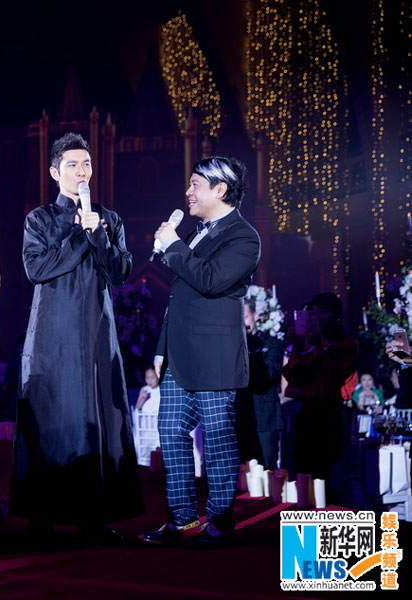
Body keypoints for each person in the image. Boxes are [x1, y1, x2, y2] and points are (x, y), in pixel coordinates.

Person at [12, 132, 142, 540]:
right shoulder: (39, 219)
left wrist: (97, 233)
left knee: (97, 411)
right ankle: (42, 513)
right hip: (52, 330)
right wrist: (77, 233)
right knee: (51, 413)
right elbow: (37, 269)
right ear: (54, 172)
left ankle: (96, 514)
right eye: (72, 165)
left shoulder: (109, 218)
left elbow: (120, 272)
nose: (82, 172)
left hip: (96, 329)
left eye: (86, 164)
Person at [142, 156, 260, 548]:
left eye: (195, 185)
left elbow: (210, 281)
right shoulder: (197, 232)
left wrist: (173, 245)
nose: (188, 192)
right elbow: (178, 299)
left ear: (220, 190)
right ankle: (182, 520)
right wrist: (160, 355)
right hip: (179, 357)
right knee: (171, 432)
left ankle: (220, 520)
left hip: (215, 356)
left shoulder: (243, 237)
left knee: (218, 437)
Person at [282, 293, 358, 481]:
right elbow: (291, 379)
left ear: (336, 315)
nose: (316, 319)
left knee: (328, 477)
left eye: (322, 313)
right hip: (306, 416)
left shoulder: (347, 345)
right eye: (313, 314)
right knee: (302, 474)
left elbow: (332, 377)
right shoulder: (308, 346)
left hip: (329, 416)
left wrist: (316, 346)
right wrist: (298, 346)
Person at [237, 299, 286, 470]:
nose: (242, 322)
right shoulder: (230, 347)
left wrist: (248, 349)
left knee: (266, 471)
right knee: (241, 474)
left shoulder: (272, 345)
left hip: (264, 417)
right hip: (239, 418)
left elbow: (267, 377)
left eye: (244, 317)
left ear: (255, 315)